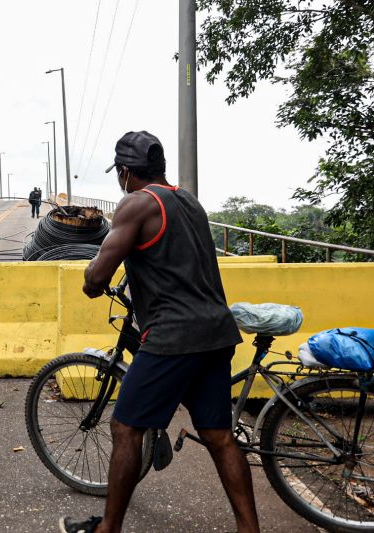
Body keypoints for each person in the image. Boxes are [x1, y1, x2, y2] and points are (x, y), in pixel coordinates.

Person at [59, 131, 259, 533]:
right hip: (216, 333)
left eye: (119, 172)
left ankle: (107, 529)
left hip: (173, 337)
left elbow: (97, 275)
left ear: (126, 171)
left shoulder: (135, 204)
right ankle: (249, 530)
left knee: (125, 428)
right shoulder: (189, 202)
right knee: (220, 436)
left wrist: (92, 281)